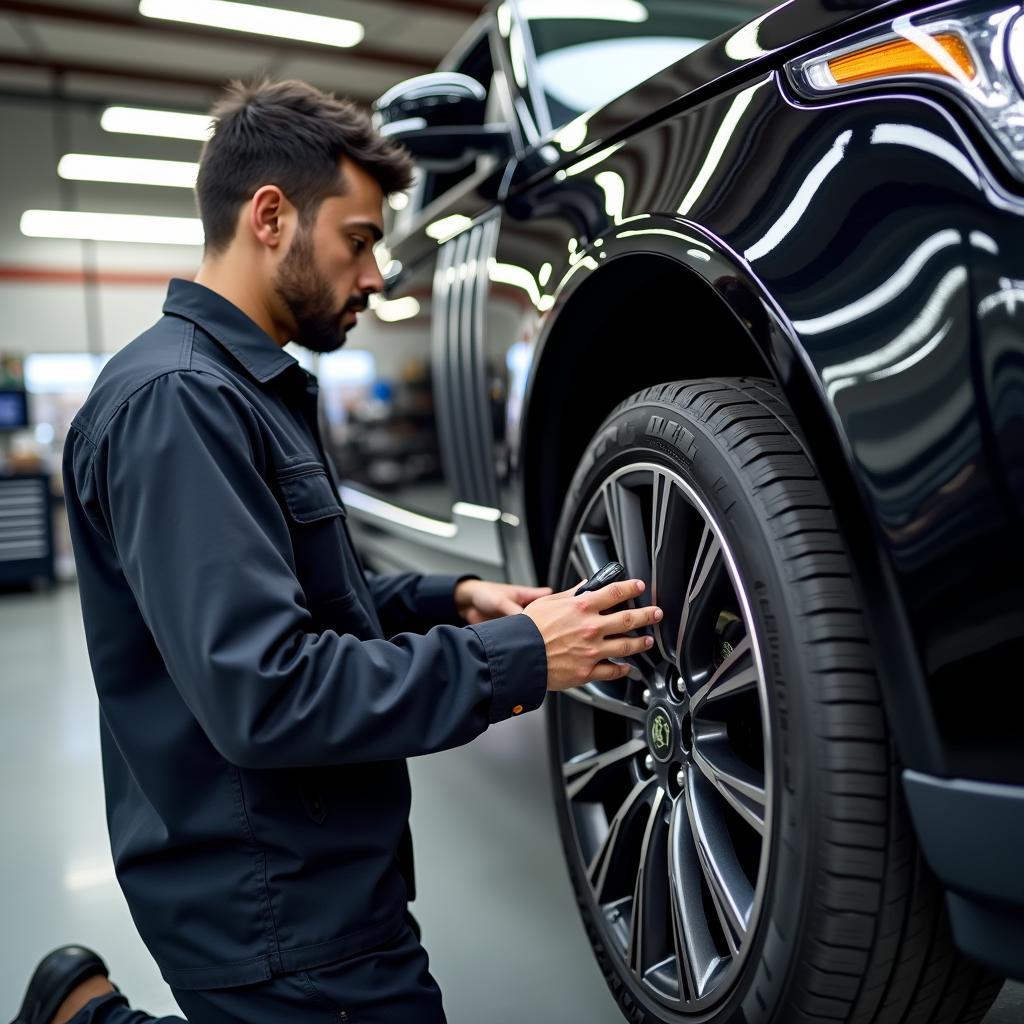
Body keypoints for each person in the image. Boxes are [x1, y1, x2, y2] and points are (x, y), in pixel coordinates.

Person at [11, 79, 661, 1024]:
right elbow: (268, 693)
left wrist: (456, 597)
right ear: (270, 217)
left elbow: (303, 605)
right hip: (276, 912)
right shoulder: (181, 405)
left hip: (306, 871)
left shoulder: (241, 390)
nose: (376, 276)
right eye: (358, 241)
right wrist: (520, 659)